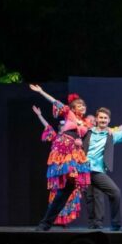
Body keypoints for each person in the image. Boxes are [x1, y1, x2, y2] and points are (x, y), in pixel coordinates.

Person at [30, 85, 93, 231]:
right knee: (62, 191)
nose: (82, 107)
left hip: (75, 153)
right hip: (64, 152)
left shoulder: (86, 123)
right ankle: (45, 223)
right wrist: (41, 92)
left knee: (65, 191)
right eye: (79, 105)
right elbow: (55, 102)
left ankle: (46, 223)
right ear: (72, 107)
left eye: (84, 105)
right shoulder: (69, 114)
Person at [32, 105, 82, 227]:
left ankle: (60, 222)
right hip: (58, 171)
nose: (63, 128)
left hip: (69, 169)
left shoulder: (72, 137)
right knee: (58, 195)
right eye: (61, 127)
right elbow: (47, 126)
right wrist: (39, 115)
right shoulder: (56, 137)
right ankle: (51, 221)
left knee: (67, 195)